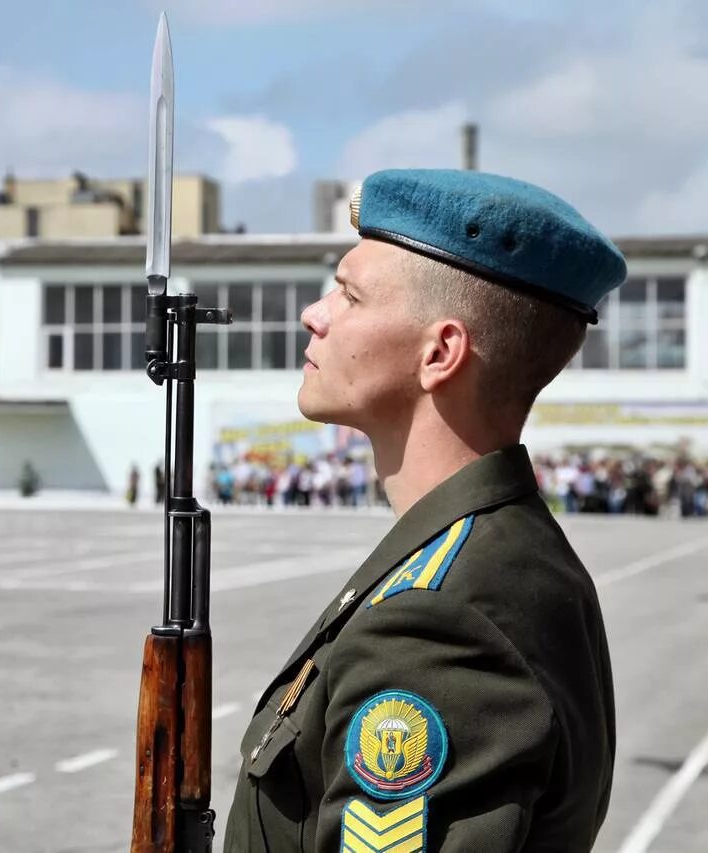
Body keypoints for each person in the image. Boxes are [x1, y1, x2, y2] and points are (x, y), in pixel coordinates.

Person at [225, 170, 623, 851]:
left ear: (440, 353)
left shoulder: (436, 625)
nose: (313, 313)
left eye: (349, 295)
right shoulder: (508, 552)